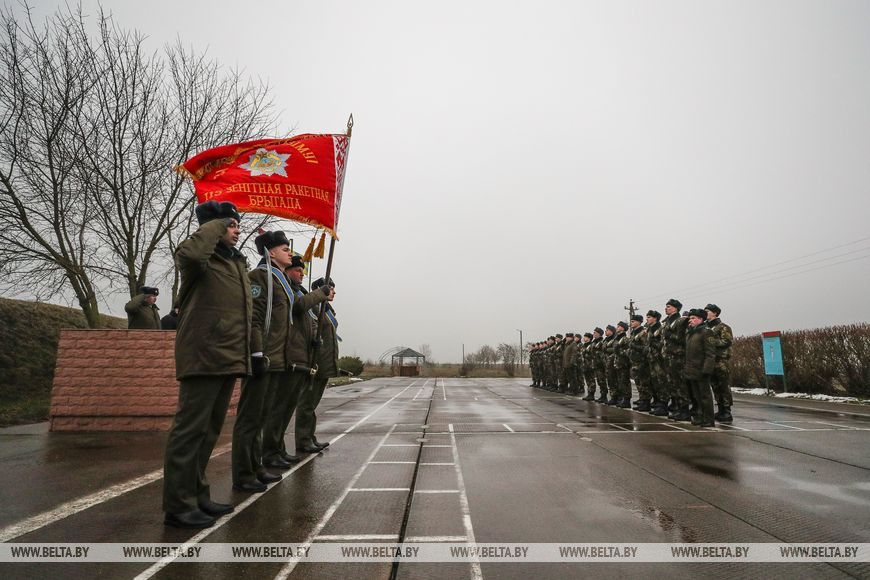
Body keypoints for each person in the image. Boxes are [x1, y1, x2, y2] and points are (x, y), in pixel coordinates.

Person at [162, 200, 251, 529]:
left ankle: (197, 496)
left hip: (227, 355)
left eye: (237, 224)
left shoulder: (234, 262)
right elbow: (190, 255)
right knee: (190, 431)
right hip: (203, 352)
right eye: (231, 224)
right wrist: (214, 223)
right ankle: (178, 505)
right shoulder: (200, 259)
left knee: (209, 431)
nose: (237, 230)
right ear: (215, 226)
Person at [231, 230, 295, 493]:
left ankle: (255, 466)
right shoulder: (260, 276)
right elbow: (255, 318)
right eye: (284, 249)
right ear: (270, 252)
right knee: (249, 419)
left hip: (277, 358)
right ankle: (243, 473)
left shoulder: (281, 279)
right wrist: (256, 353)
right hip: (264, 356)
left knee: (262, 417)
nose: (290, 253)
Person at [261, 255, 332, 467]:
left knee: (286, 408)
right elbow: (298, 308)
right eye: (297, 270)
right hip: (289, 356)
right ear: (287, 271)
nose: (302, 274)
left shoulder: (296, 291)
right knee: (279, 408)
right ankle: (271, 451)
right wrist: (320, 293)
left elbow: (308, 322)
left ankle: (278, 449)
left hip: (302, 356)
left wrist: (315, 338)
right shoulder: (287, 291)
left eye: (303, 271)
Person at [296, 277, 339, 453]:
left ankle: (310, 436)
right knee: (307, 403)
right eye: (331, 288)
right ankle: (303, 439)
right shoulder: (314, 308)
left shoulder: (327, 310)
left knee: (312, 404)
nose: (334, 292)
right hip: (316, 362)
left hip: (325, 362)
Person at [685, 308, 716, 427]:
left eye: (693, 318)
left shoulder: (706, 332)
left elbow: (710, 354)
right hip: (691, 369)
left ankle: (708, 418)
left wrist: (706, 370)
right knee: (696, 396)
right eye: (690, 318)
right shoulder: (691, 333)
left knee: (704, 396)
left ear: (701, 319)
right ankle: (700, 416)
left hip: (701, 370)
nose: (690, 320)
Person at [662, 299, 691, 421]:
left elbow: (682, 338)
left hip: (678, 357)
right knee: (673, 384)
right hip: (669, 357)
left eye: (668, 306)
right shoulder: (668, 321)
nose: (666, 308)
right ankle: (677, 407)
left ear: (675, 308)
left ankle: (684, 409)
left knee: (680, 384)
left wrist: (669, 335)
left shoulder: (681, 321)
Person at [705, 304, 734, 424]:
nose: (706, 313)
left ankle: (727, 410)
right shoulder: (706, 327)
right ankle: (720, 409)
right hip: (710, 360)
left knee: (724, 386)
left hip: (721, 360)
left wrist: (710, 342)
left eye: (708, 311)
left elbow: (726, 341)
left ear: (715, 313)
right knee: (715, 386)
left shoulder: (723, 327)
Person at [645, 310, 668, 416]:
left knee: (661, 382)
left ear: (655, 318)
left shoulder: (660, 329)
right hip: (652, 359)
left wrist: (653, 343)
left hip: (659, 359)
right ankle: (657, 402)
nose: (647, 319)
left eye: (649, 317)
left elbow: (662, 344)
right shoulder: (650, 329)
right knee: (655, 382)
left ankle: (663, 405)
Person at [627, 314, 651, 412]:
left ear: (639, 322)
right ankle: (642, 401)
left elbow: (645, 348)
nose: (631, 323)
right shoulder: (634, 333)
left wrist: (634, 347)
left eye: (633, 321)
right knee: (638, 383)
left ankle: (646, 403)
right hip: (635, 361)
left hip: (642, 362)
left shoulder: (642, 333)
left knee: (644, 383)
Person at [613, 322, 632, 408]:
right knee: (620, 382)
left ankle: (627, 400)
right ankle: (622, 399)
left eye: (619, 326)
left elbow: (628, 351)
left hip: (624, 363)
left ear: (623, 328)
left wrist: (620, 352)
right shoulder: (617, 338)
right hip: (618, 363)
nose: (617, 327)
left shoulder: (625, 339)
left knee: (625, 382)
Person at [603, 325, 618, 404]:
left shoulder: (614, 339)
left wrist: (607, 350)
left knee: (614, 381)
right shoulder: (606, 340)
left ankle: (616, 397)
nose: (605, 331)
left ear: (612, 331)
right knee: (610, 381)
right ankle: (613, 397)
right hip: (607, 363)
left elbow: (616, 349)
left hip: (613, 363)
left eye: (607, 330)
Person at [581, 333, 597, 401]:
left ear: (589, 338)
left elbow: (593, 355)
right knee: (587, 380)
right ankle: (589, 393)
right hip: (585, 365)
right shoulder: (584, 345)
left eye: (585, 337)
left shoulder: (591, 345)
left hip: (590, 365)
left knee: (591, 380)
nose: (584, 338)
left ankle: (592, 394)